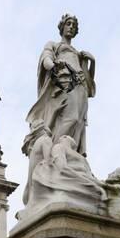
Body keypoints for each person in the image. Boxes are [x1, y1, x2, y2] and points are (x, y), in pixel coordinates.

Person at [26, 14, 96, 156]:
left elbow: (89, 84)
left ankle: (70, 154)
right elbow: (46, 58)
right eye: (68, 24)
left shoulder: (79, 53)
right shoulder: (54, 45)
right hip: (65, 83)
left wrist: (92, 62)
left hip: (80, 86)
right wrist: (53, 68)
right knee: (71, 118)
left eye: (74, 26)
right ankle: (53, 153)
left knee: (79, 123)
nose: (71, 27)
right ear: (62, 26)